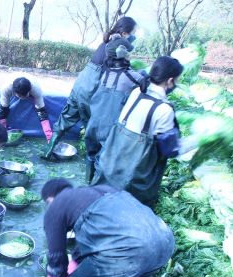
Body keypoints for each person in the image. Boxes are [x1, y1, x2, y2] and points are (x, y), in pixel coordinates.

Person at [41, 179, 174, 277]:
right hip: (165, 241)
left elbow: (56, 260)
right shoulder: (103, 190)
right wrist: (74, 265)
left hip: (131, 249)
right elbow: (87, 248)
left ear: (50, 199)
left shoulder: (56, 205)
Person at [91, 56, 185, 207]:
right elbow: (170, 150)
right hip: (133, 181)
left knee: (100, 205)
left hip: (109, 168)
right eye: (177, 80)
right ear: (170, 81)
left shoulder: (136, 93)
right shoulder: (164, 110)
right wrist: (199, 141)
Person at [43, 17, 138, 158]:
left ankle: (47, 152)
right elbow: (122, 72)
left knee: (65, 119)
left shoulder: (106, 41)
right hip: (91, 89)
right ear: (124, 33)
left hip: (80, 85)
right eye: (133, 33)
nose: (134, 37)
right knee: (92, 129)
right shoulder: (118, 46)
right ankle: (91, 170)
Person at [83, 37, 143, 182]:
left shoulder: (105, 74)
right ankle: (95, 189)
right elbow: (147, 86)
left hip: (94, 123)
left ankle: (87, 181)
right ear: (125, 55)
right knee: (103, 159)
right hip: (109, 127)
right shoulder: (131, 76)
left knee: (91, 153)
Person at [0, 77, 52, 141]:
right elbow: (3, 111)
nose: (23, 98)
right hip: (11, 81)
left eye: (25, 96)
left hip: (32, 83)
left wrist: (49, 136)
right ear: (14, 92)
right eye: (20, 96)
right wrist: (3, 133)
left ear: (29, 91)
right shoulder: (6, 89)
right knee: (4, 109)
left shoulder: (36, 89)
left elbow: (42, 112)